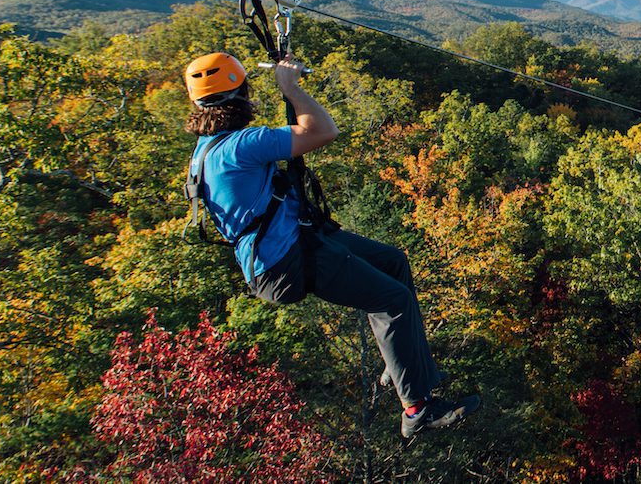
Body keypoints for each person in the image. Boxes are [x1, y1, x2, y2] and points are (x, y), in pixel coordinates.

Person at [183, 51, 480, 437]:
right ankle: (416, 410)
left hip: (289, 246)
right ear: (241, 93)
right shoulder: (242, 145)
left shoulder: (206, 151)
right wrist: (290, 88)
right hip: (288, 259)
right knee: (393, 301)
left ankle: (399, 364)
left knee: (393, 262)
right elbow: (323, 130)